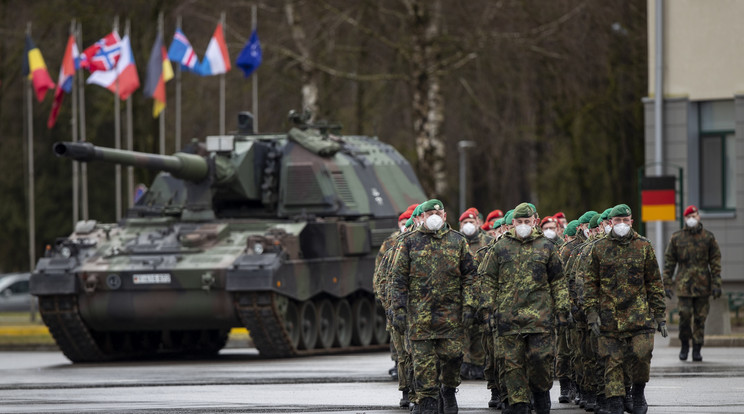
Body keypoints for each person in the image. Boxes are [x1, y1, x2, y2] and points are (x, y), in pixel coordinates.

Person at [478, 202, 568, 414]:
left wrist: (563, 309)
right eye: (519, 222)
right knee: (512, 364)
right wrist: (487, 310)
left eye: (527, 222)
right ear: (512, 223)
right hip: (509, 319)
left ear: (534, 222)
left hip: (540, 318)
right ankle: (519, 403)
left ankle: (540, 393)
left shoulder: (546, 246)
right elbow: (489, 280)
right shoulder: (500, 248)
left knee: (540, 360)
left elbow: (558, 280)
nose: (523, 226)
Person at [391, 199, 477, 414]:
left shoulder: (457, 241)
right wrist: (399, 309)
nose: (434, 216)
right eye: (430, 213)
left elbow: (469, 277)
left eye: (438, 212)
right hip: (420, 318)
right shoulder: (410, 242)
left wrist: (469, 306)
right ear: (423, 216)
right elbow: (399, 278)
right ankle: (427, 401)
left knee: (453, 358)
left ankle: (448, 389)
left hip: (451, 317)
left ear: (445, 216)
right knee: (423, 365)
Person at [583, 204, 667, 414]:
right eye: (617, 221)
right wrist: (592, 313)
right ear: (610, 223)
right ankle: (615, 401)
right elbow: (590, 284)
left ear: (632, 221)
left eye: (625, 220)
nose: (621, 224)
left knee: (641, 356)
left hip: (639, 318)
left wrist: (660, 316)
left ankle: (638, 393)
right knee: (612, 362)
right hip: (609, 318)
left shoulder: (643, 246)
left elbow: (654, 282)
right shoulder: (599, 248)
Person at [663, 205, 722, 362]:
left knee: (700, 319)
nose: (692, 219)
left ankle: (697, 348)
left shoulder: (708, 237)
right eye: (688, 217)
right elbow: (669, 262)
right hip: (684, 286)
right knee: (684, 316)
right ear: (684, 219)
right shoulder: (677, 238)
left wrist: (717, 284)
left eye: (694, 216)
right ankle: (684, 346)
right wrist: (667, 284)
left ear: (699, 217)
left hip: (703, 285)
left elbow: (715, 262)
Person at [373, 204, 418, 406]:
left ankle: (428, 394)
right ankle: (407, 391)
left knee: (421, 355)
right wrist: (389, 305)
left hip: (422, 311)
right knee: (403, 355)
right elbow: (381, 278)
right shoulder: (391, 246)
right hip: (399, 308)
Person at [458, 207, 493, 380]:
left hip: (483, 293)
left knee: (480, 330)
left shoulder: (488, 241)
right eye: (465, 223)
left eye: (471, 222)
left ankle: (479, 363)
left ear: (478, 223)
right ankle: (464, 362)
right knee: (463, 328)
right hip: (463, 294)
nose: (468, 225)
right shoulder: (457, 242)